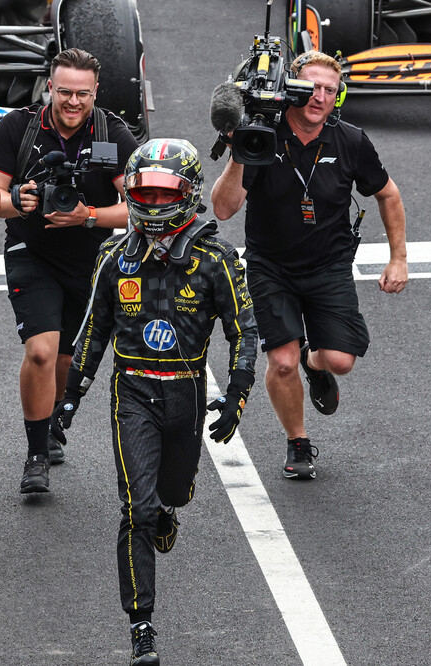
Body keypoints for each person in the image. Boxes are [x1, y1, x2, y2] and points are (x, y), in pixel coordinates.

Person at [54, 139, 258, 665]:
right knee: (135, 509)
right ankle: (142, 626)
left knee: (173, 495)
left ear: (188, 194)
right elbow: (93, 330)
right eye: (144, 191)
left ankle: (168, 508)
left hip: (186, 394)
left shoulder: (216, 258)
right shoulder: (113, 257)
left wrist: (236, 395)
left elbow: (244, 330)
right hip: (133, 394)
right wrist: (70, 400)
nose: (153, 201)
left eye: (165, 191)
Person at [211, 50, 408, 480]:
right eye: (311, 87)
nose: (319, 97)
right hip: (270, 265)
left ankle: (313, 363)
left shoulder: (351, 140)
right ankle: (298, 442)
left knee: (339, 360)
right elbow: (224, 210)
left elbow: (388, 194)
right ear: (291, 88)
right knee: (280, 362)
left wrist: (399, 258)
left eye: (330, 91)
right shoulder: (263, 135)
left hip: (328, 264)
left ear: (338, 97)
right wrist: (240, 150)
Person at [0, 47, 140, 494]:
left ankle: (51, 423)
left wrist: (87, 215)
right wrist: (18, 200)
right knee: (40, 351)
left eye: (83, 95)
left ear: (96, 93)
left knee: (68, 360)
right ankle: (35, 456)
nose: (73, 103)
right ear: (49, 87)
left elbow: (140, 208)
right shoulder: (19, 126)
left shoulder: (113, 131)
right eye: (65, 92)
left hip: (88, 259)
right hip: (30, 250)